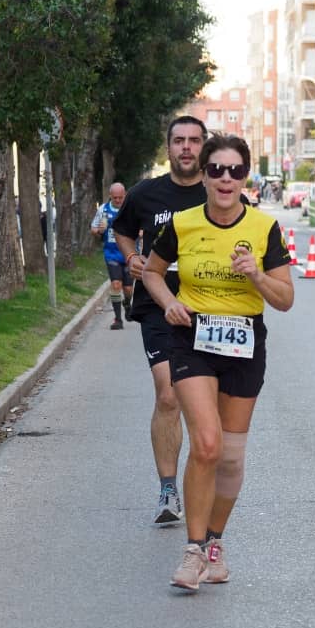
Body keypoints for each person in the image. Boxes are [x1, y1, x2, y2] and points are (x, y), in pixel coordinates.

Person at [142, 134, 294, 591]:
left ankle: (214, 543)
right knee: (206, 444)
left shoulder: (265, 228)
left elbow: (285, 299)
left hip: (244, 346)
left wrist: (257, 275)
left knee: (229, 457)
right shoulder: (183, 224)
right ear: (204, 176)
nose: (226, 179)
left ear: (245, 178)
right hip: (192, 339)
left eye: (235, 171)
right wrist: (169, 302)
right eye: (217, 170)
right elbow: (152, 272)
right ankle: (192, 553)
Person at [114, 115, 209, 525]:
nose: (186, 147)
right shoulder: (145, 193)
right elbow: (121, 230)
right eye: (179, 140)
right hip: (157, 304)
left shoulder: (217, 193)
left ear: (204, 147)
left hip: (208, 307)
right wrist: (132, 257)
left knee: (204, 402)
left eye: (194, 141)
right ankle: (168, 489)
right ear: (168, 148)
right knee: (168, 394)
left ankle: (203, 479)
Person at [90, 182, 131, 330]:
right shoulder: (103, 209)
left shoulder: (131, 208)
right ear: (110, 196)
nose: (118, 200)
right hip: (111, 253)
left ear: (125, 195)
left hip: (129, 253)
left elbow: (142, 227)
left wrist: (140, 232)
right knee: (116, 285)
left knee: (128, 289)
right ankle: (118, 319)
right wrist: (99, 231)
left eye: (120, 197)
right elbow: (93, 228)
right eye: (115, 198)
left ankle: (127, 303)